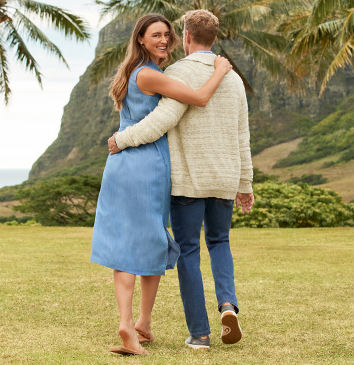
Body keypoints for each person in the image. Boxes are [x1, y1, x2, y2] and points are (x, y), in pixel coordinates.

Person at [108, 9, 255, 349]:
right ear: (214, 38)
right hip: (223, 178)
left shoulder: (176, 73)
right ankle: (228, 305)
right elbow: (241, 135)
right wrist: (244, 184)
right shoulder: (231, 77)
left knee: (188, 250)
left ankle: (200, 335)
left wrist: (122, 139)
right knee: (220, 242)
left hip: (188, 180)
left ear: (186, 36)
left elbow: (163, 119)